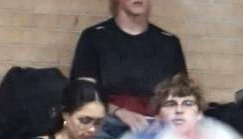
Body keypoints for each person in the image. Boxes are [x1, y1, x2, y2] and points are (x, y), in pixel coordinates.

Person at [69, 0, 186, 132]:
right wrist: (119, 112)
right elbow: (82, 93)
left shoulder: (169, 43)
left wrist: (162, 116)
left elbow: (181, 95)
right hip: (107, 123)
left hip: (154, 125)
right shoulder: (94, 37)